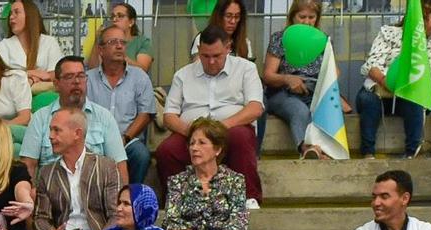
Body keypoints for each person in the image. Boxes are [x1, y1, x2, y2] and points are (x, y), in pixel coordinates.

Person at [158, 27, 264, 200]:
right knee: (166, 151)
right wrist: (192, 133)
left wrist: (221, 127)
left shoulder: (246, 69)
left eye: (217, 56)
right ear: (199, 50)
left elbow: (255, 108)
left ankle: (248, 198)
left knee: (240, 137)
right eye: (205, 56)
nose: (211, 62)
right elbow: (169, 116)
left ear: (228, 48)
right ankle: (176, 201)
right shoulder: (183, 75)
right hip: (191, 132)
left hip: (230, 128)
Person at [33, 108, 123, 230]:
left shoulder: (106, 167)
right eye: (51, 130)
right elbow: (40, 218)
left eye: (57, 130)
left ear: (77, 133)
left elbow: (117, 215)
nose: (50, 136)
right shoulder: (47, 172)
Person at [358, 0, 431, 160]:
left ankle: (411, 154)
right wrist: (389, 83)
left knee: (415, 103)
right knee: (367, 100)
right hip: (379, 88)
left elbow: (425, 75)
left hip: (408, 93)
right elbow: (372, 65)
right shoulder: (389, 33)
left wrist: (401, 88)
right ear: (421, 18)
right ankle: (368, 154)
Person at [20, 56, 124, 171]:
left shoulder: (104, 117)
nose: (77, 81)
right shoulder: (40, 118)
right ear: (56, 84)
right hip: (51, 185)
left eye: (81, 76)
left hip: (94, 185)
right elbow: (28, 165)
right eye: (69, 77)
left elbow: (119, 167)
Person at [87, 26, 155, 185]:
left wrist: (125, 138)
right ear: (101, 50)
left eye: (122, 43)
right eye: (113, 42)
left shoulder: (139, 77)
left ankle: (129, 200)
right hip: (95, 141)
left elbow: (145, 114)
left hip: (128, 140)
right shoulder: (88, 79)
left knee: (141, 154)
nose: (119, 46)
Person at [261, 0, 326, 158]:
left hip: (313, 91)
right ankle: (306, 149)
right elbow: (268, 76)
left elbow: (333, 71)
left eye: (312, 17)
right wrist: (288, 79)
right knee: (299, 110)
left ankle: (327, 151)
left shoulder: (322, 40)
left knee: (326, 111)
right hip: (283, 93)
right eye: (302, 16)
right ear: (292, 17)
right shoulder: (280, 39)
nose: (307, 22)